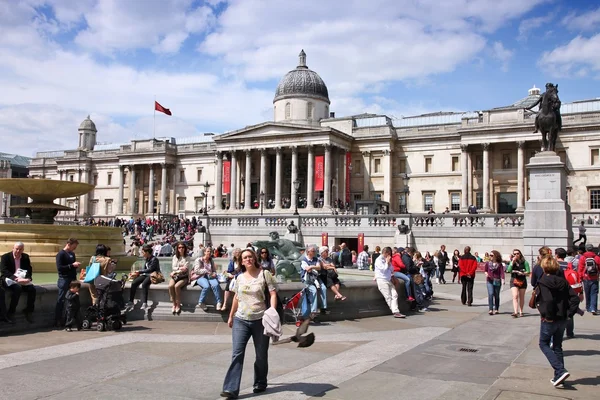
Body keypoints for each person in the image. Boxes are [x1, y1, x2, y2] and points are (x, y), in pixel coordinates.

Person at [221, 248, 277, 398]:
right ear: (241, 261)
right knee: (237, 354)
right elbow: (236, 298)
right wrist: (231, 316)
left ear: (255, 258)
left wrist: (272, 310)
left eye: (250, 257)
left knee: (261, 354)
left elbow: (272, 293)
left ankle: (260, 382)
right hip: (241, 320)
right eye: (245, 257)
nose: (248, 259)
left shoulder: (264, 274)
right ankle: (231, 389)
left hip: (260, 320)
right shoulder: (238, 278)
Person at [536, 256, 579, 388]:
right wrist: (569, 314)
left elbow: (548, 301)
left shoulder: (543, 281)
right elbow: (575, 299)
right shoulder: (563, 281)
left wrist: (548, 315)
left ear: (544, 267)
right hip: (562, 319)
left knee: (543, 344)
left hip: (550, 319)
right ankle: (559, 377)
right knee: (557, 346)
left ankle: (560, 371)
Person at [0, 242, 36, 323]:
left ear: (23, 250)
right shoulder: (5, 257)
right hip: (9, 279)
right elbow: (4, 271)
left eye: (20, 249)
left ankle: (29, 311)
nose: (18, 251)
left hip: (21, 279)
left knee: (32, 289)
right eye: (16, 249)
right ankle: (11, 313)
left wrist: (28, 278)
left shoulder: (25, 257)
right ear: (13, 248)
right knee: (17, 288)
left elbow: (29, 270)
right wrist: (16, 279)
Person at [55, 238, 81, 327]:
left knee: (72, 300)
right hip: (64, 279)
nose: (75, 248)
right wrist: (71, 265)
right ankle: (58, 319)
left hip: (72, 279)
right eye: (74, 246)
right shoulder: (60, 254)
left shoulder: (72, 254)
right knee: (61, 300)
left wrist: (75, 266)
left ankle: (69, 319)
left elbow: (71, 266)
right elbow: (60, 268)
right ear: (69, 244)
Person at [374, 246, 405, 318]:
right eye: (389, 254)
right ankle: (395, 311)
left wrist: (389, 263)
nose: (390, 256)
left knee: (395, 294)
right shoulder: (378, 260)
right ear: (386, 253)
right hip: (382, 280)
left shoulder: (386, 260)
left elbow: (392, 269)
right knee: (388, 297)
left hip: (388, 280)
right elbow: (383, 270)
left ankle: (396, 311)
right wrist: (387, 263)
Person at [127, 244, 160, 310]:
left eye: (143, 252)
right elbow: (145, 269)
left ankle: (145, 303)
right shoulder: (147, 258)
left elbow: (150, 269)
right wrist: (138, 274)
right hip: (146, 274)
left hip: (152, 275)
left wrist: (139, 272)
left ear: (147, 252)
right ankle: (131, 301)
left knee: (144, 284)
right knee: (134, 282)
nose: (142, 254)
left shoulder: (154, 259)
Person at [300, 245, 328, 318]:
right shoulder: (303, 260)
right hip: (308, 280)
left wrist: (311, 267)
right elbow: (307, 269)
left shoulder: (316, 259)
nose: (315, 252)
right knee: (314, 291)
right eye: (313, 251)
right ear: (308, 252)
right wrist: (312, 268)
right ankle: (313, 311)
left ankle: (323, 307)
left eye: (315, 251)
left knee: (324, 288)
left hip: (316, 279)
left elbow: (319, 267)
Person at [507, 248, 531, 317]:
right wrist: (512, 262)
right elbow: (508, 270)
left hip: (522, 280)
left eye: (517, 253)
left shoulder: (524, 262)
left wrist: (522, 273)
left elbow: (528, 272)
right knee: (515, 296)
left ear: (520, 254)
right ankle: (515, 311)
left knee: (521, 296)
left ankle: (521, 311)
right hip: (514, 280)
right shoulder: (512, 262)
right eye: (515, 254)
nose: (516, 255)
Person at [168, 242, 190, 315]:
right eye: (179, 247)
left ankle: (178, 304)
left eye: (182, 247)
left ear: (185, 248)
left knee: (177, 286)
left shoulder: (187, 257)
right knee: (170, 286)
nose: (181, 249)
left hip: (184, 276)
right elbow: (173, 267)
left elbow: (185, 269)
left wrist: (175, 271)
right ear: (177, 249)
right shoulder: (175, 257)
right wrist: (179, 268)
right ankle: (174, 303)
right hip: (175, 276)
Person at [578, 243, 599, 315]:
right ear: (592, 249)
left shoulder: (583, 257)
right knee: (594, 293)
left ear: (586, 249)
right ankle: (593, 308)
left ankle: (588, 307)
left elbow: (580, 269)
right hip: (594, 277)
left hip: (585, 277)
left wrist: (580, 278)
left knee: (587, 293)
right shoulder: (596, 257)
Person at [484, 250, 505, 315]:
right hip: (489, 280)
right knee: (490, 294)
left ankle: (496, 308)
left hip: (497, 280)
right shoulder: (488, 263)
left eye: (492, 255)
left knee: (496, 295)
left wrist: (503, 279)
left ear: (496, 256)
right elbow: (485, 270)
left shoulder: (499, 264)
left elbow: (502, 272)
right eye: (490, 255)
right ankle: (490, 309)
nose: (491, 257)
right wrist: (486, 274)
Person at [222, 248, 242, 312]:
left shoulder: (242, 261)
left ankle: (237, 307)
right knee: (228, 286)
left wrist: (234, 276)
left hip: (240, 278)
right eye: (236, 253)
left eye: (238, 252)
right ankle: (225, 304)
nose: (237, 254)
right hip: (233, 278)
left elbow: (243, 271)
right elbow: (230, 270)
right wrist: (227, 273)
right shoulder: (232, 261)